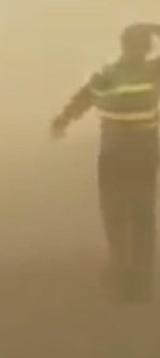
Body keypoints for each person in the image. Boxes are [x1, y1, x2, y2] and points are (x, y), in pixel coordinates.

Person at [51, 23, 160, 301]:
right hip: (144, 152)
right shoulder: (153, 72)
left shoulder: (107, 75)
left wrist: (62, 122)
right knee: (143, 215)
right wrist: (154, 28)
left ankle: (121, 270)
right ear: (147, 48)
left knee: (115, 213)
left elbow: (81, 99)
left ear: (123, 46)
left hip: (113, 154)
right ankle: (141, 282)